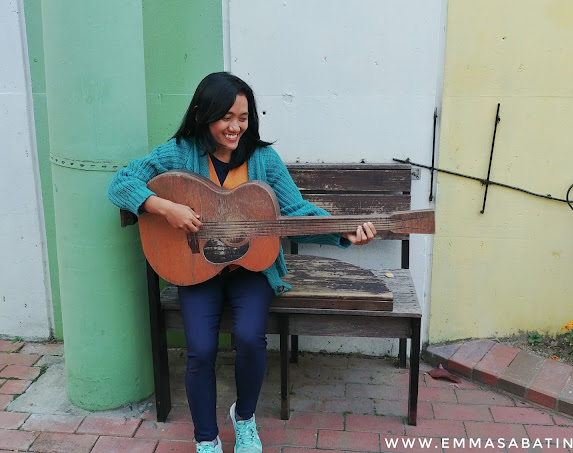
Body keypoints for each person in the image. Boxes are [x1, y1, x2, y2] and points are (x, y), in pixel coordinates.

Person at [107, 72, 376, 453]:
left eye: (244, 117)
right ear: (203, 114)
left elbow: (294, 212)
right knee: (200, 348)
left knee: (251, 339)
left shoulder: (263, 158)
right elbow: (121, 183)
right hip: (195, 267)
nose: (236, 127)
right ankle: (206, 438)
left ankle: (244, 418)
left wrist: (342, 232)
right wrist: (165, 208)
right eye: (227, 117)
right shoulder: (179, 152)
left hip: (251, 268)